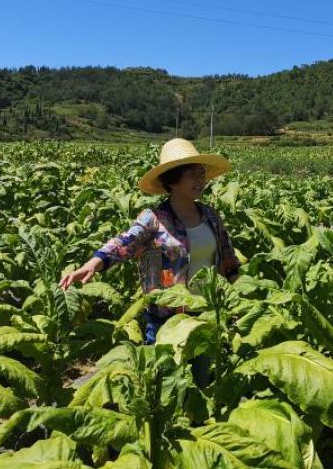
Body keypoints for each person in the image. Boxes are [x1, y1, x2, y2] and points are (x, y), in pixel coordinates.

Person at [59, 138, 240, 345]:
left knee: (203, 375)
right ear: (173, 180)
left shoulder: (211, 216)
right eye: (192, 175)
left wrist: (239, 293)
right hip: (167, 316)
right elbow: (124, 243)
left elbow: (228, 258)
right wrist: (93, 263)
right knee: (167, 374)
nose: (200, 180)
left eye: (201, 174)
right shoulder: (154, 219)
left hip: (208, 312)